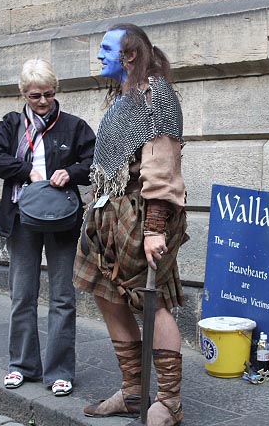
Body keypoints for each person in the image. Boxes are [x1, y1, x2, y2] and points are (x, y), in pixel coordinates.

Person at [74, 24, 187, 425]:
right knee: (108, 296)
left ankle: (169, 402)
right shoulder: (124, 98)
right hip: (109, 213)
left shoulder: (156, 97)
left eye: (106, 49)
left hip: (142, 216)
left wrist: (155, 227)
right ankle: (134, 393)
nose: (99, 55)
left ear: (130, 54)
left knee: (154, 305)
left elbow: (162, 167)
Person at [0, 58, 95, 397]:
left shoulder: (74, 126)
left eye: (48, 93)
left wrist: (70, 173)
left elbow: (95, 162)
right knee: (22, 295)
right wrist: (25, 170)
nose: (43, 101)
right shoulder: (12, 124)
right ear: (23, 94)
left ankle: (59, 371)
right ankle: (22, 365)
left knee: (62, 297)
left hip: (62, 219)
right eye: (35, 95)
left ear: (55, 90)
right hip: (22, 217)